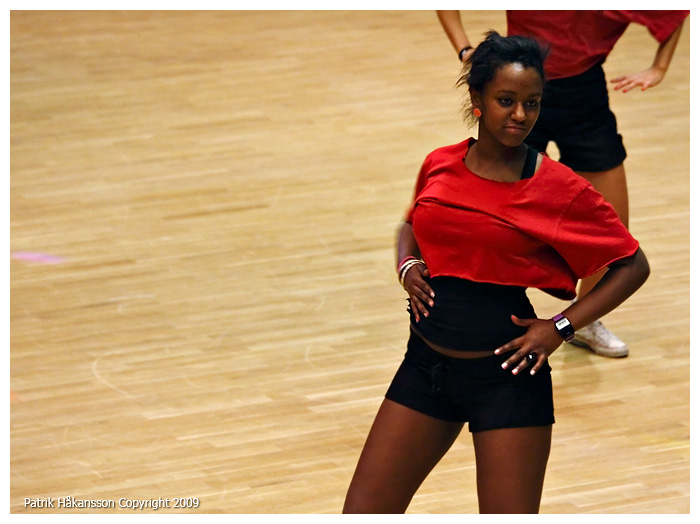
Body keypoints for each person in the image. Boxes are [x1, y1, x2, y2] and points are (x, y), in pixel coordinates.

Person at [343, 32, 650, 514]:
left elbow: (632, 264)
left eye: (532, 103)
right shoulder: (441, 163)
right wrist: (407, 264)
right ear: (478, 98)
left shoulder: (558, 187)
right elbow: (412, 222)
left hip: (508, 381)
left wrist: (561, 327)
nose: (521, 115)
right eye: (506, 100)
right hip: (425, 367)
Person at [436, 10, 687, 358]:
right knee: (491, 219)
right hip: (520, 86)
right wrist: (465, 50)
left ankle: (584, 323)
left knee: (612, 225)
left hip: (584, 95)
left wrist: (659, 67)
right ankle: (487, 319)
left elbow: (676, 10)